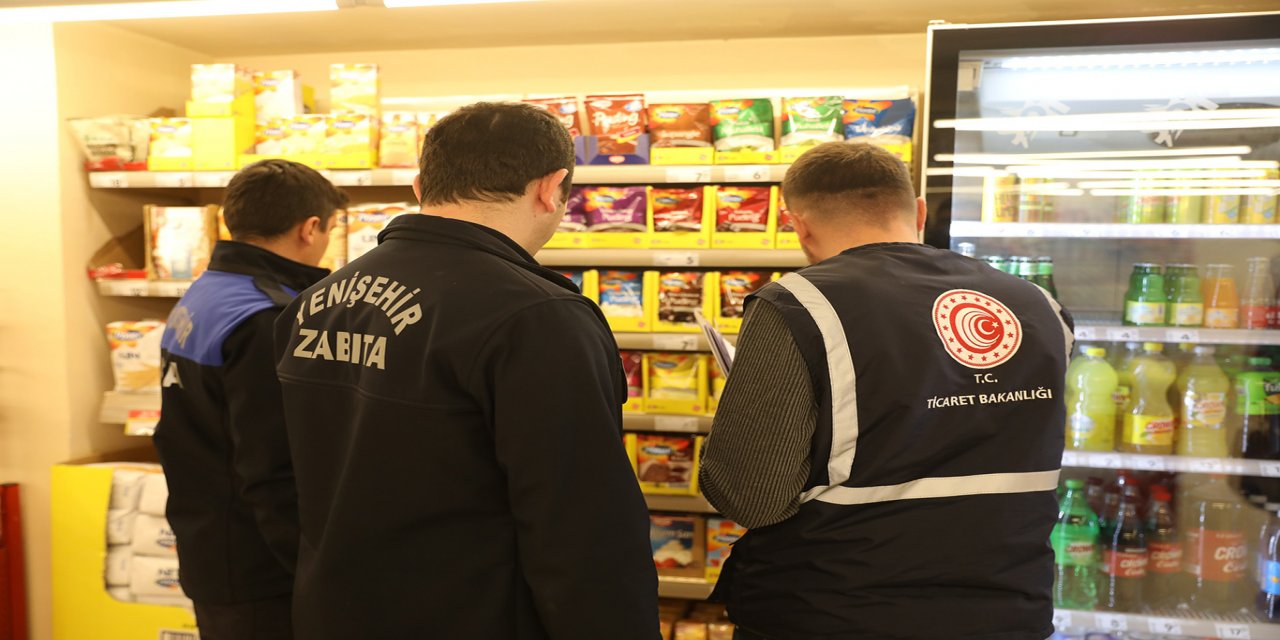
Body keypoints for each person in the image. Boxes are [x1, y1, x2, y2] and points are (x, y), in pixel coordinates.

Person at [274, 102, 659, 639]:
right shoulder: (536, 317)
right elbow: (583, 530)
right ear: (552, 187)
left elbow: (281, 477)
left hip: (334, 612)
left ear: (419, 186)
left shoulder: (315, 301)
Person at [699, 142, 1074, 640]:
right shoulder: (1039, 305)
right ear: (917, 212)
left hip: (833, 611)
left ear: (799, 225)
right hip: (1007, 611)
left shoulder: (798, 304)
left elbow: (750, 497)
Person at [154, 159, 346, 640]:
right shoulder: (263, 318)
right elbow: (271, 468)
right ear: (310, 229)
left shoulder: (207, 293)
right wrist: (311, 572)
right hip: (258, 569)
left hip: (212, 545)